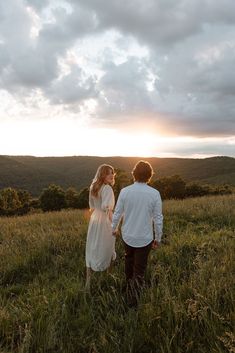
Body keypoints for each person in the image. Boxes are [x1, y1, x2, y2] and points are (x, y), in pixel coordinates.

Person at [112, 160, 163, 306]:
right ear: (149, 176)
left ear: (134, 174)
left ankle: (128, 287)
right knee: (139, 268)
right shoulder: (154, 194)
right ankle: (133, 300)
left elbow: (117, 213)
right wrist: (158, 238)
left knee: (129, 260)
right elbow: (158, 218)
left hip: (127, 235)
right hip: (145, 237)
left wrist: (113, 228)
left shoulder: (125, 191)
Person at [85, 164, 116, 290]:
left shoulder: (93, 187)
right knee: (107, 247)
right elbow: (108, 209)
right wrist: (114, 226)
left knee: (92, 247)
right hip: (104, 221)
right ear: (102, 174)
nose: (111, 175)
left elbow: (92, 206)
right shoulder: (107, 188)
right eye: (108, 173)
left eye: (112, 173)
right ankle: (108, 276)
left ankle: (88, 281)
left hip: (94, 220)